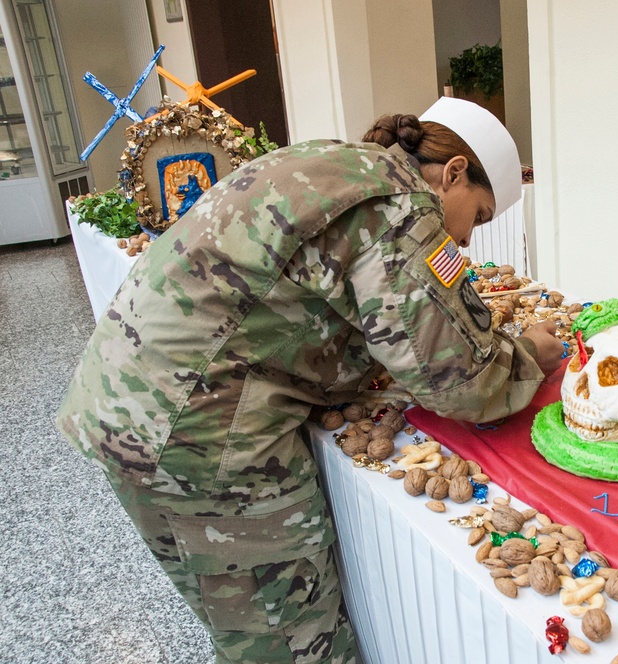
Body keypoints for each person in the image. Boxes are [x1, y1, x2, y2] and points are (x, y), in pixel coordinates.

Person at [56, 97, 565, 663]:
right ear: (452, 174)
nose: (469, 239)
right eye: (480, 215)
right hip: (201, 431)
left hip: (134, 402)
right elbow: (458, 382)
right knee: (290, 645)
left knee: (241, 624)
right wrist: (526, 357)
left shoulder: (338, 160)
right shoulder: (400, 208)